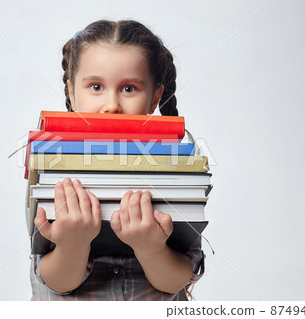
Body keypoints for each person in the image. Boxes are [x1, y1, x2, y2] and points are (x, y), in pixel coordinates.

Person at [29, 19, 205, 301]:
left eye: (129, 89)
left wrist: (151, 248)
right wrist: (73, 245)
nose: (111, 105)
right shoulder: (52, 164)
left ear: (154, 97)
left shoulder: (177, 171)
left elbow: (177, 281)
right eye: (96, 86)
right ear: (72, 92)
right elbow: (55, 283)